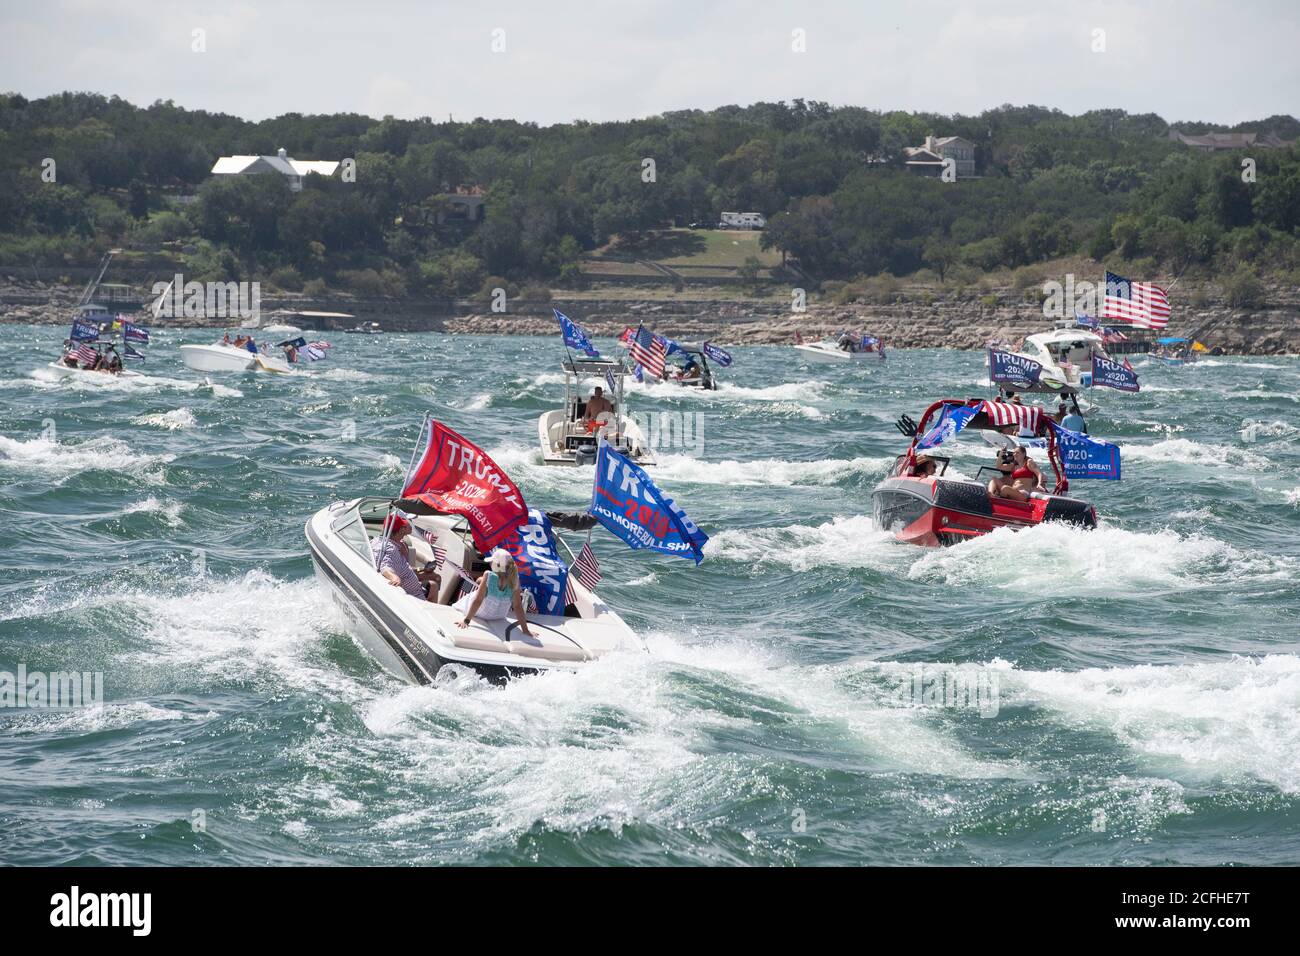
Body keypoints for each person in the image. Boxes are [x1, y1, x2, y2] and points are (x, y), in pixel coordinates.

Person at [454, 550, 535, 637]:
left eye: (492, 562)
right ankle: (480, 581)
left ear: (497, 565)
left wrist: (466, 621)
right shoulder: (515, 580)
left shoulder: (489, 576)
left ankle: (479, 582)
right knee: (480, 582)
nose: (490, 564)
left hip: (481, 613)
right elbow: (518, 607)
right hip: (498, 616)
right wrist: (525, 630)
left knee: (472, 591)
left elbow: (478, 600)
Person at [370, 514, 439, 602]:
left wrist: (421, 570)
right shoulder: (392, 548)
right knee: (435, 582)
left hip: (411, 585)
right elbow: (385, 566)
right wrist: (393, 577)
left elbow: (401, 566)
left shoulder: (378, 541)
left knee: (433, 581)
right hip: (414, 596)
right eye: (406, 524)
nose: (409, 525)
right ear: (402, 529)